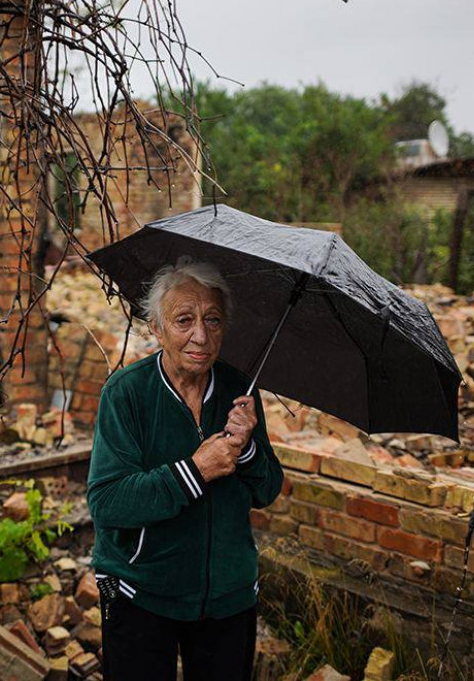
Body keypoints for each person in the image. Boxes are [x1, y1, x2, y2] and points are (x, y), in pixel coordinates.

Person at [87, 257, 284, 681]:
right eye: (184, 320)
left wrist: (247, 450)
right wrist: (194, 470)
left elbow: (268, 491)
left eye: (213, 320)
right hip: (141, 593)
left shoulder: (239, 392)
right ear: (156, 329)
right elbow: (107, 502)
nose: (201, 336)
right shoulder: (127, 394)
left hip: (229, 600)